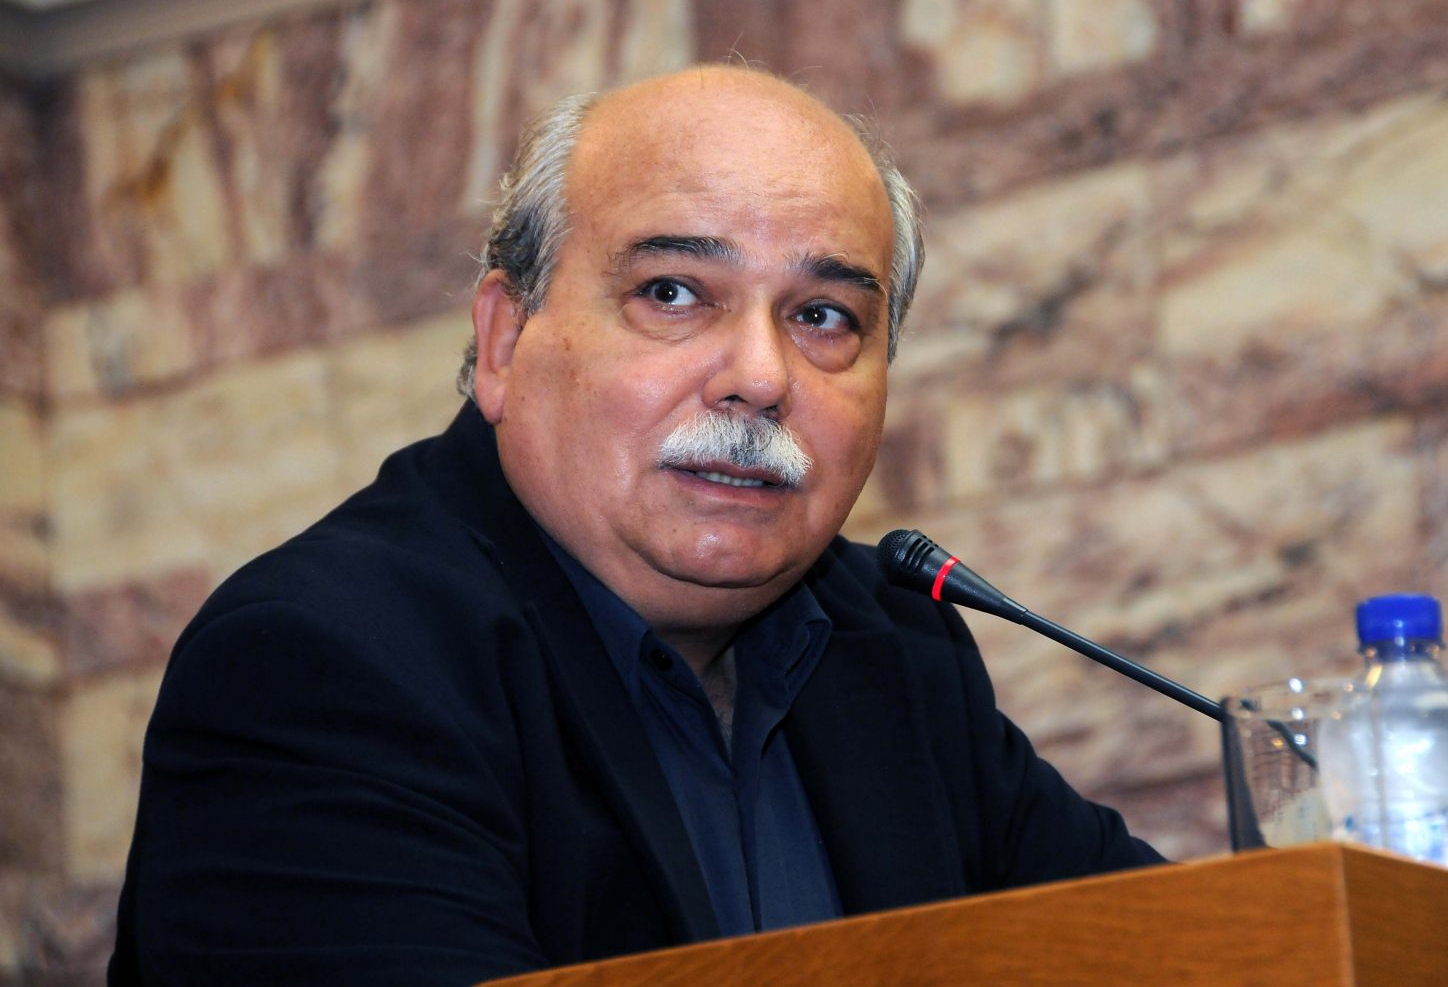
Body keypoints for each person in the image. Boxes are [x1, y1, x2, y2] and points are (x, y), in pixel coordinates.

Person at [109, 65, 1162, 986]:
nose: (760, 376)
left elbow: (1173, 949)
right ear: (505, 340)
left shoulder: (895, 646)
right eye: (672, 292)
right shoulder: (323, 665)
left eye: (822, 317)